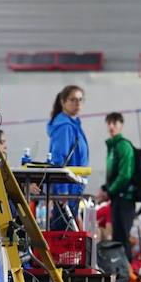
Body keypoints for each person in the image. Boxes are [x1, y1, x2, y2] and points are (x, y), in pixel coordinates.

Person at [45, 85, 89, 230]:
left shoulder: (74, 125)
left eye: (80, 100)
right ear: (63, 102)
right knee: (63, 240)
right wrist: (61, 191)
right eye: (73, 100)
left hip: (73, 190)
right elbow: (59, 160)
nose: (78, 104)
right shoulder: (65, 127)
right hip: (66, 193)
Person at [104, 112, 137, 249]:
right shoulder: (112, 147)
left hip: (125, 199)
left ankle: (126, 270)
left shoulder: (123, 146)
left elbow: (124, 175)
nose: (111, 126)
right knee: (117, 237)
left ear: (121, 125)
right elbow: (113, 174)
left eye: (115, 123)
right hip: (116, 198)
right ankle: (121, 269)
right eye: (109, 123)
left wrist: (109, 191)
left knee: (123, 238)